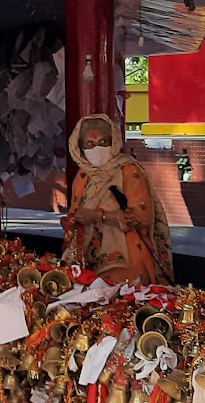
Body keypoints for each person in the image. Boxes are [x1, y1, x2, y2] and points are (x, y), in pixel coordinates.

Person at [62, 113, 174, 284]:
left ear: (113, 141)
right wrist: (72, 221)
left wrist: (99, 216)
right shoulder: (83, 176)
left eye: (103, 142)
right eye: (90, 144)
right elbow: (76, 211)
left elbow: (143, 217)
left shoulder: (128, 171)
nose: (97, 149)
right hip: (89, 263)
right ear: (80, 148)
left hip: (128, 263)